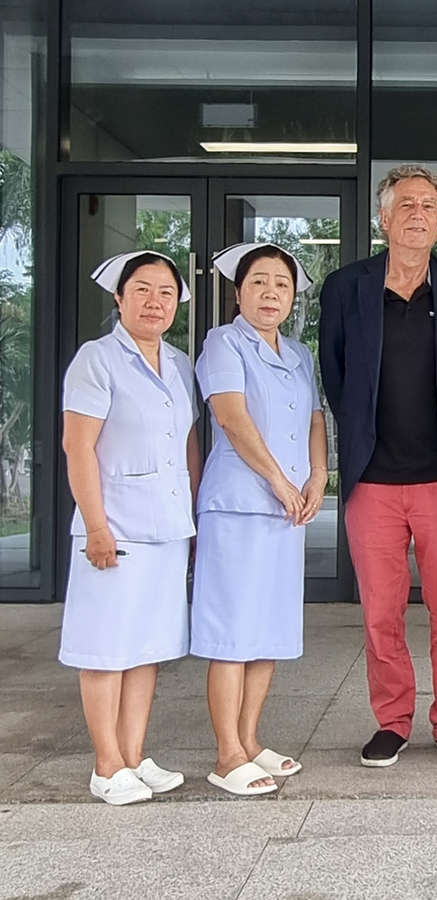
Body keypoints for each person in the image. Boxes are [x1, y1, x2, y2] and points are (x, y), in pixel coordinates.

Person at [318, 164, 437, 769]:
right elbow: (335, 374)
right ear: (384, 217)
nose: (418, 214)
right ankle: (392, 721)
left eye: (429, 207)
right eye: (407, 205)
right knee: (381, 612)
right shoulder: (346, 287)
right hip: (373, 480)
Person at [59, 251, 201, 805]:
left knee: (148, 647)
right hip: (114, 528)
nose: (154, 302)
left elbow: (186, 443)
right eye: (141, 290)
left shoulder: (179, 363)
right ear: (119, 298)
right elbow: (78, 447)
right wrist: (97, 527)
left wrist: (192, 518)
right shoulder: (96, 360)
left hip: (167, 526)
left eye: (166, 292)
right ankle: (106, 764)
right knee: (105, 649)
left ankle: (135, 756)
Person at [191, 242, 328, 796]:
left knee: (269, 627)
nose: (271, 293)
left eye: (281, 284)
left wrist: (318, 475)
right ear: (238, 291)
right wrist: (277, 478)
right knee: (233, 631)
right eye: (259, 282)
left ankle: (249, 740)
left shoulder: (299, 354)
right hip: (239, 505)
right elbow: (231, 416)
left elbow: (315, 417)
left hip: (287, 509)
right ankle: (226, 754)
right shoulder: (223, 343)